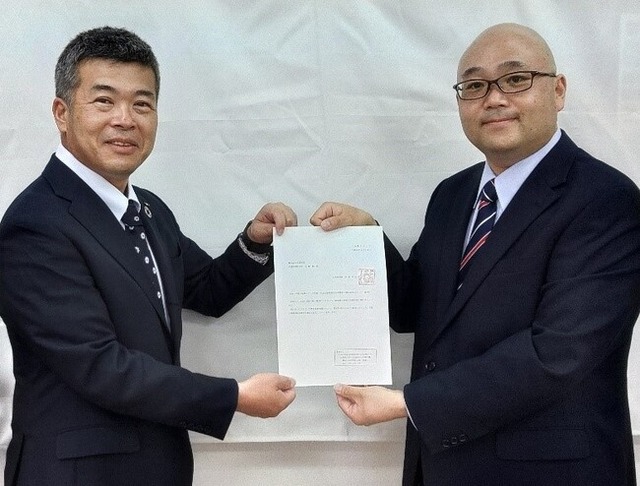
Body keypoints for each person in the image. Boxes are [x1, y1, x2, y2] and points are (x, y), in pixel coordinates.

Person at [311, 23, 640, 485]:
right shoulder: (453, 195)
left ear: (558, 90)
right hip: (441, 467)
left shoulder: (607, 199)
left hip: (550, 473)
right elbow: (417, 311)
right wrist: (366, 241)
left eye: (516, 79)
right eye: (474, 86)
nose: (494, 98)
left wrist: (408, 403)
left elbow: (557, 352)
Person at [0, 27, 297, 486]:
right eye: (104, 101)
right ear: (62, 112)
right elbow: (101, 367)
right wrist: (234, 396)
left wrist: (257, 241)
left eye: (142, 104)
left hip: (157, 465)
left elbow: (206, 290)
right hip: (78, 474)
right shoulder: (34, 225)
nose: (125, 119)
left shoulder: (148, 209)